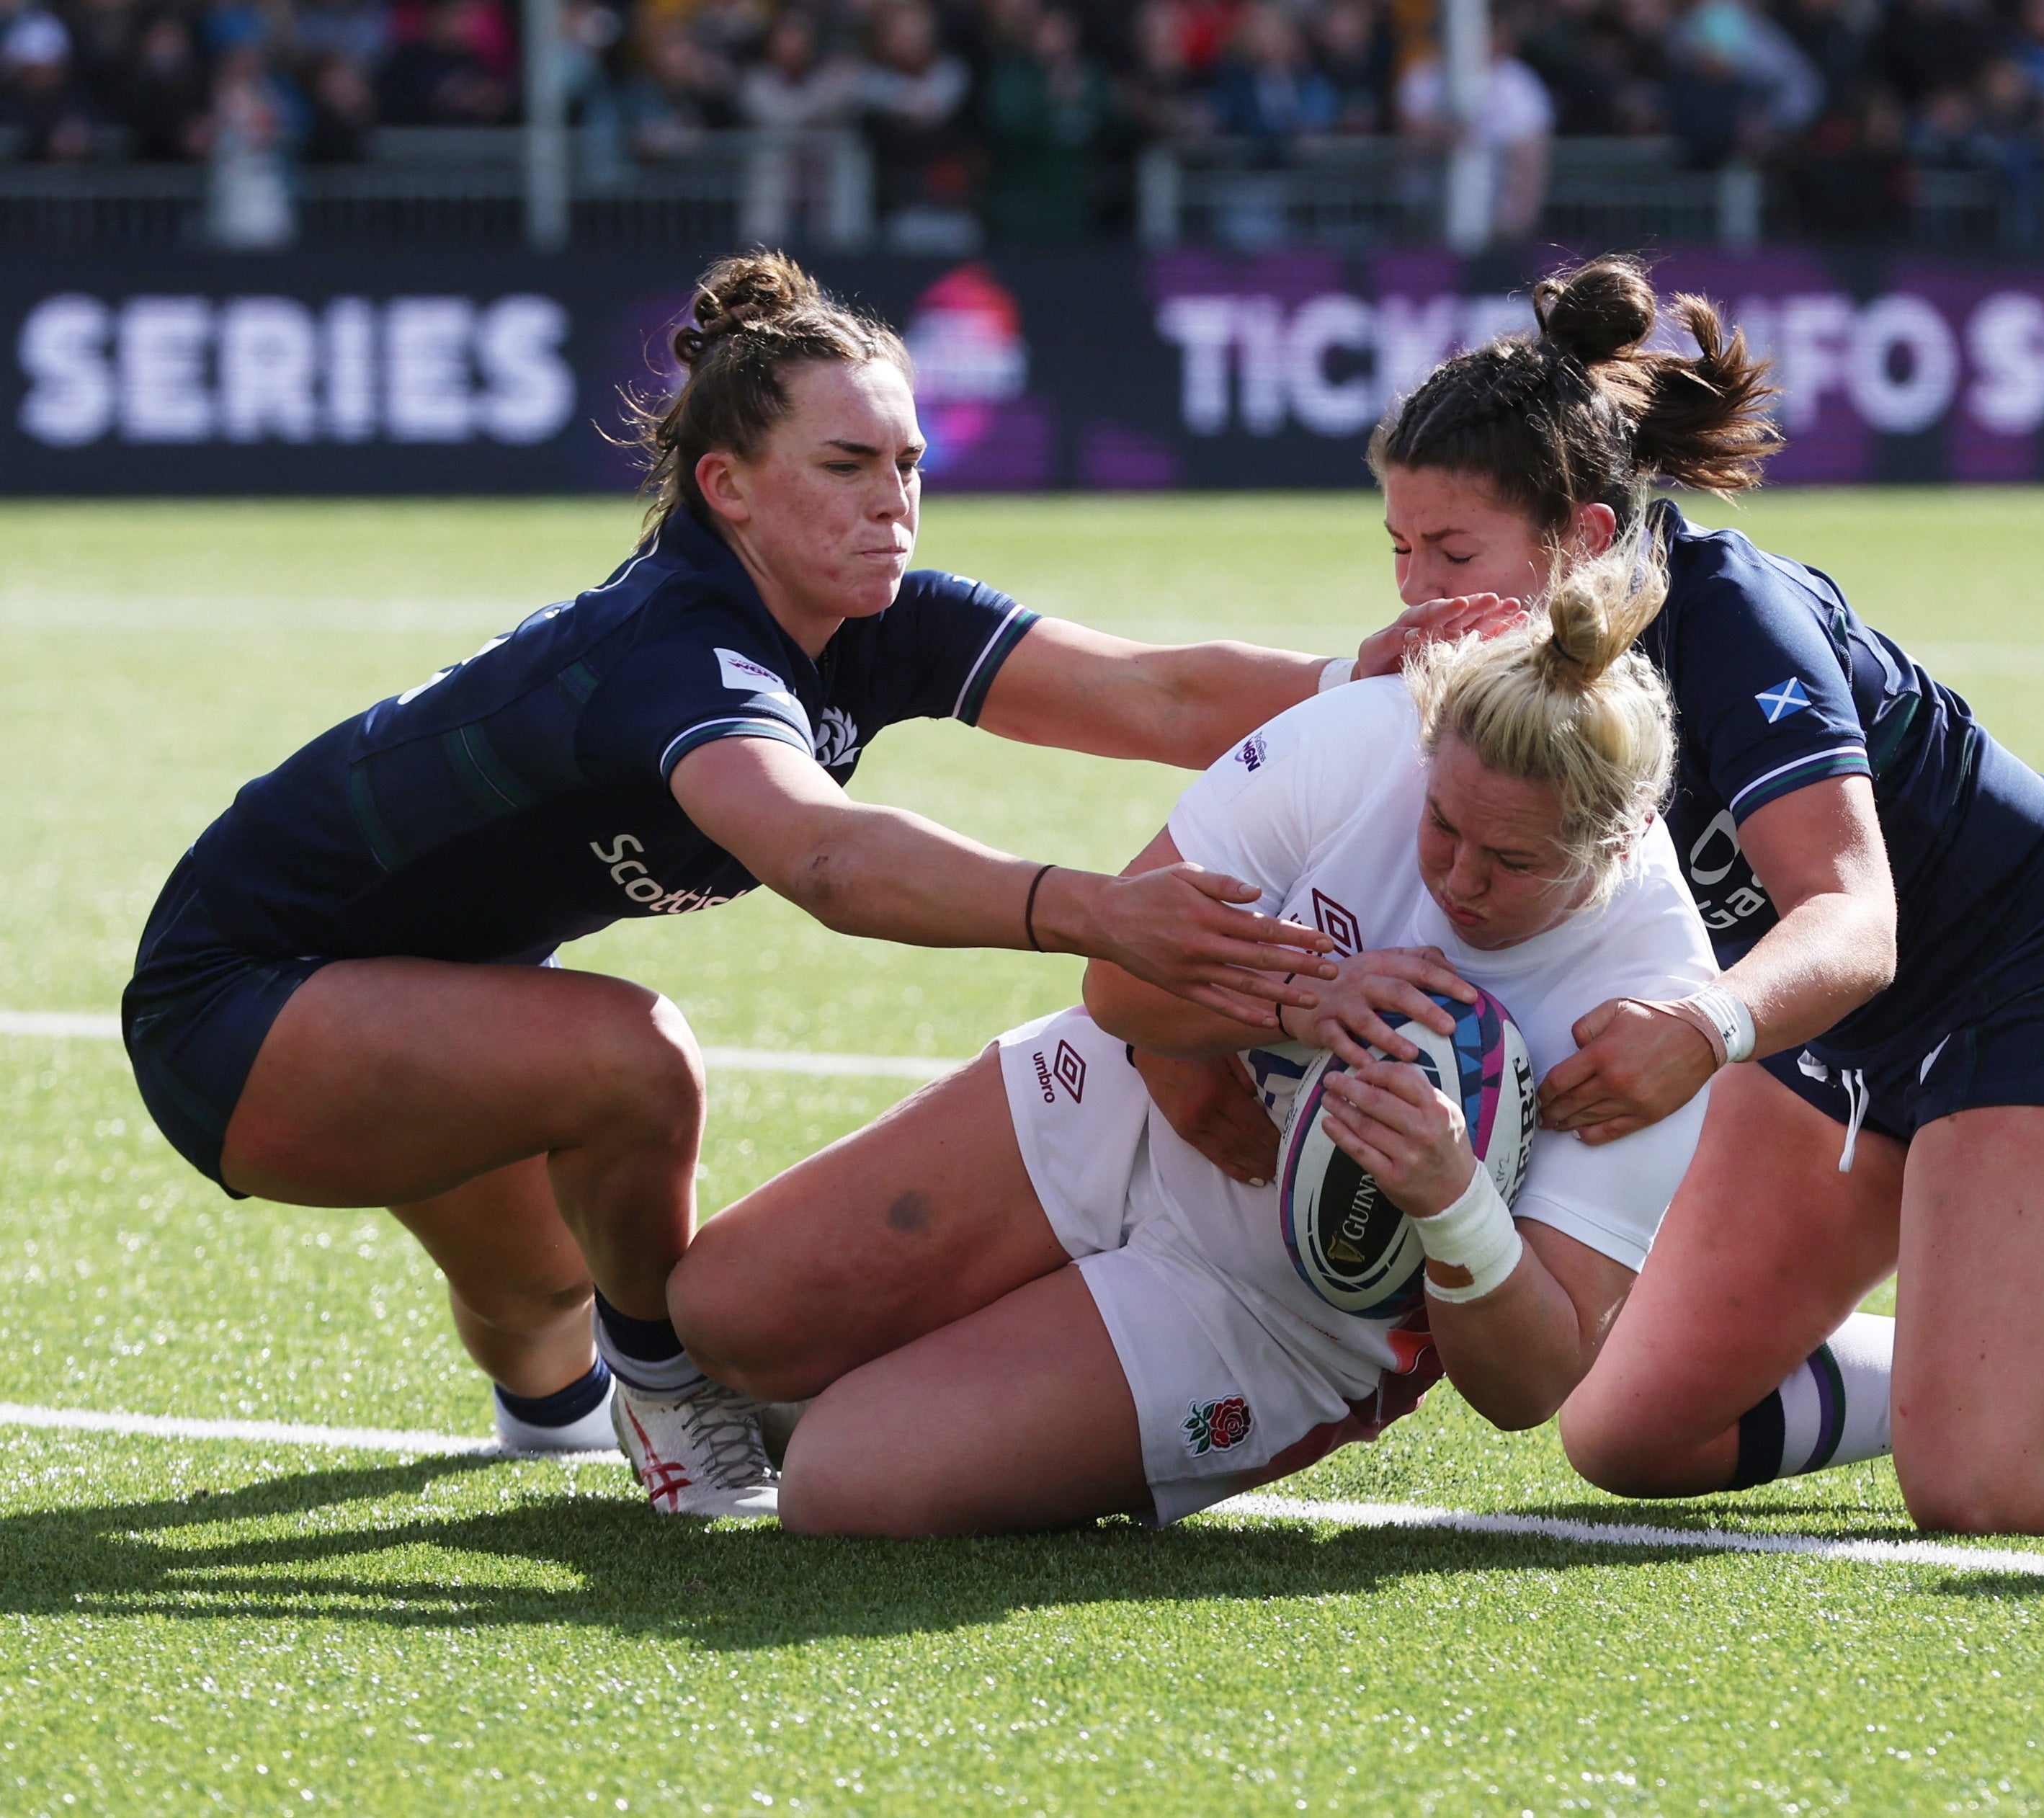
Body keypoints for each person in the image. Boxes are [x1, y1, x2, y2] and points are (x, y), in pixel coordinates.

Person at [1143, 254, 2044, 1536]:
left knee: (1979, 1485)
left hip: (2034, 965)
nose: (1418, 591)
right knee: (1629, 1430)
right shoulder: (1497, 684)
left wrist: (1698, 1029)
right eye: (1395, 548)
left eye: (1449, 553)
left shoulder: (1725, 616)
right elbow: (1218, 717)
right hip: (1829, 1029)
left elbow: (1852, 916)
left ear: (1582, 534)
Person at [118, 253, 1492, 1519]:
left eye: (908, 461)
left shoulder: (865, 613)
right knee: (633, 1063)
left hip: (426, 993)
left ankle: (560, 1401)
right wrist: (1090, 907)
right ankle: (671, 1395)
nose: (892, 501)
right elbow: (824, 857)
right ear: (727, 487)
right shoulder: (679, 647)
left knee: (544, 1294)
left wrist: (1370, 681)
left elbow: (1151, 689)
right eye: (846, 465)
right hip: (234, 1007)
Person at [666, 552, 1716, 1535]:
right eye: (1442, 826)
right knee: (724, 1311)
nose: (1459, 878)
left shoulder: (1645, 1000)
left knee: (843, 1482)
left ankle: (900, 1400)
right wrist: (1294, 999)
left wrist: (1453, 1203)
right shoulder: (1359, 739)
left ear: (1615, 847)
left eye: (1513, 861)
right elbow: (1116, 979)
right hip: (1131, 1096)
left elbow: (1526, 1389)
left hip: (1281, 1310)